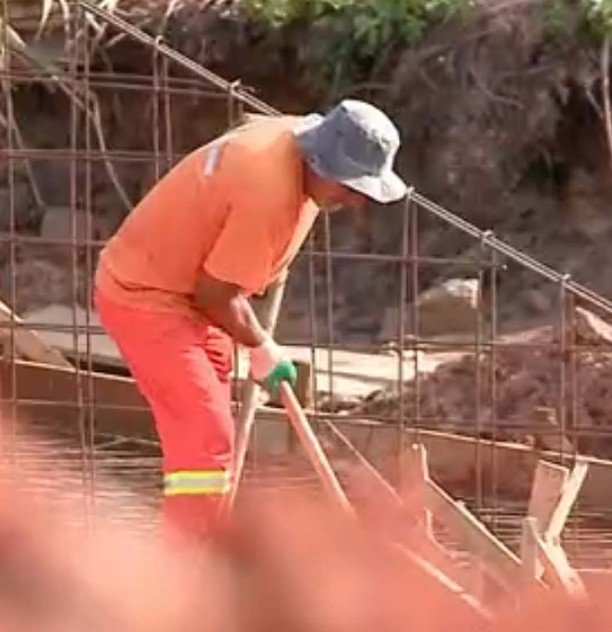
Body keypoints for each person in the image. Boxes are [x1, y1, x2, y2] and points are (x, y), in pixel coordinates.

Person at [93, 99, 408, 542]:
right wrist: (260, 346)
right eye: (349, 187)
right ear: (320, 163)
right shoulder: (268, 194)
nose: (355, 202)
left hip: (188, 289)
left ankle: (204, 538)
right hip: (146, 296)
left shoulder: (297, 139)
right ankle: (181, 570)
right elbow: (215, 295)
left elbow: (219, 284)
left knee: (208, 437)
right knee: (206, 440)